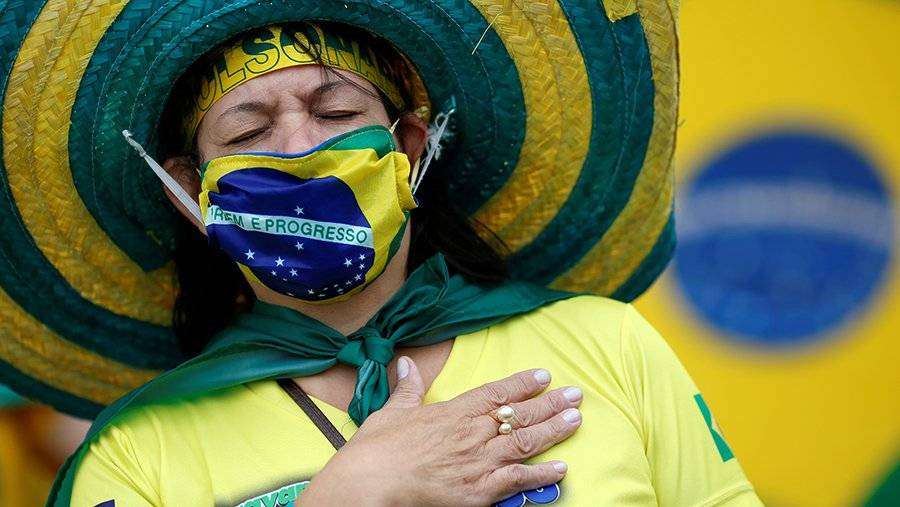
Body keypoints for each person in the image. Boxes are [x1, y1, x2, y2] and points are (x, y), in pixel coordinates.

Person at [0, 2, 760, 506]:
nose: (300, 150)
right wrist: (348, 494)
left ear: (409, 149)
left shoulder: (608, 342)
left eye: (335, 113)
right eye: (248, 132)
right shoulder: (135, 453)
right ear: (191, 193)